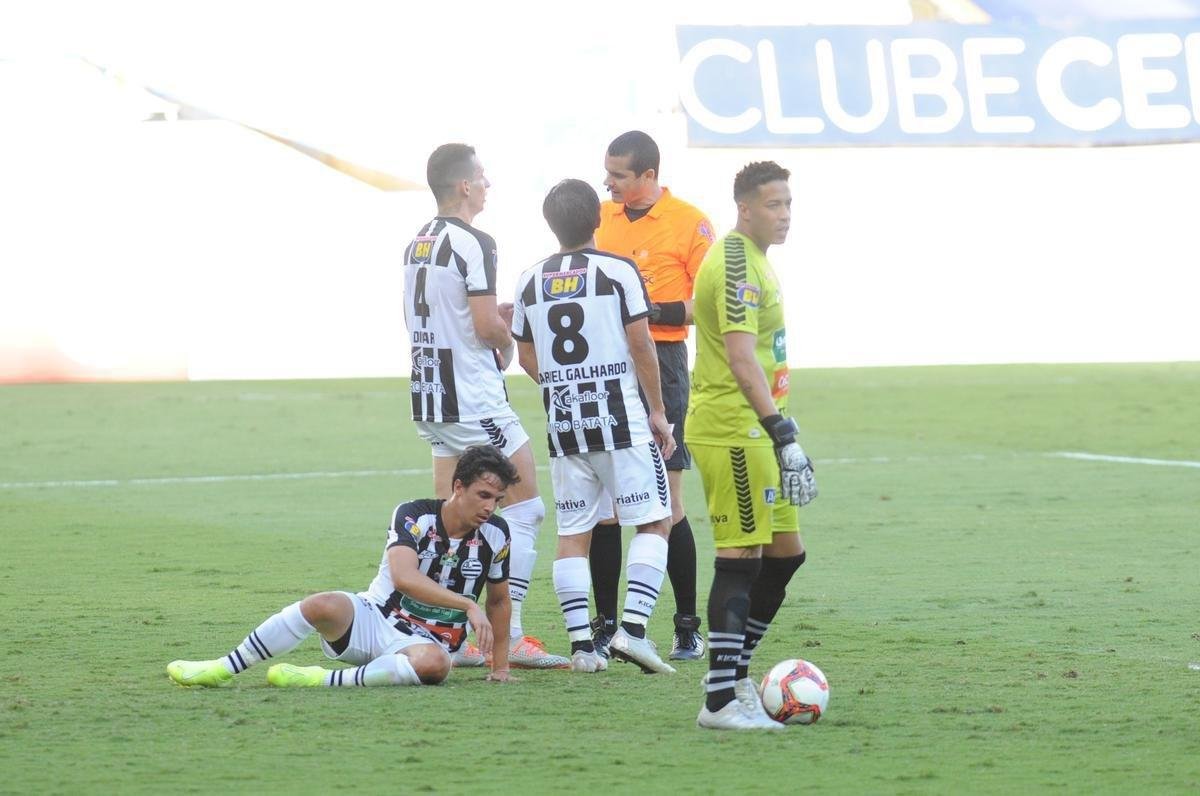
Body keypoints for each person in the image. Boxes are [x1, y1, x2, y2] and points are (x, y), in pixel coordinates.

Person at [402, 143, 567, 669]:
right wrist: (510, 337)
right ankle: (507, 634)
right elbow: (482, 324)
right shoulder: (475, 242)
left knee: (450, 519)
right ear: (464, 187)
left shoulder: (418, 242)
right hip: (473, 398)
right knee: (522, 507)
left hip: (430, 395)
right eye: (482, 176)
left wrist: (487, 323)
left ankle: (449, 633)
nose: (488, 182)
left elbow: (438, 315)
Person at [166, 446, 522, 689]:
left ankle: (318, 680)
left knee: (435, 665)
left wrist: (501, 667)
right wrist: (466, 604)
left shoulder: (496, 535)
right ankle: (222, 668)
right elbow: (404, 576)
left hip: (429, 643)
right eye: (483, 495)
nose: (490, 507)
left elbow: (499, 602)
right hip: (375, 618)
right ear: (458, 487)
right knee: (324, 603)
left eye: (497, 499)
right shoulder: (414, 514)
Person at [510, 178, 678, 675]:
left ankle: (584, 648)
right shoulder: (617, 271)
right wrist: (657, 411)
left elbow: (524, 352)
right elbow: (643, 345)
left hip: (565, 423)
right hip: (620, 418)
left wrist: (560, 386)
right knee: (655, 519)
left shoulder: (528, 279)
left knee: (574, 530)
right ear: (598, 219)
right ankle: (636, 631)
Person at [686, 161, 819, 730]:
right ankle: (717, 703)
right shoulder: (737, 259)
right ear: (743, 208)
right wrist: (782, 433)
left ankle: (735, 673)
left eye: (788, 203)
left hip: (757, 427)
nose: (784, 215)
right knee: (740, 557)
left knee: (786, 554)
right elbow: (741, 357)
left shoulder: (755, 258)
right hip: (733, 430)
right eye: (773, 205)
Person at [589, 130, 715, 661]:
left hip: (661, 364)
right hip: (602, 364)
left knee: (669, 500)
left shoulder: (691, 223)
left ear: (648, 175)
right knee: (606, 506)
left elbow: (706, 304)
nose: (608, 183)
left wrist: (647, 312)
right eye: (607, 172)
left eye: (618, 174)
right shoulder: (597, 216)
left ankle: (687, 624)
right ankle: (605, 624)